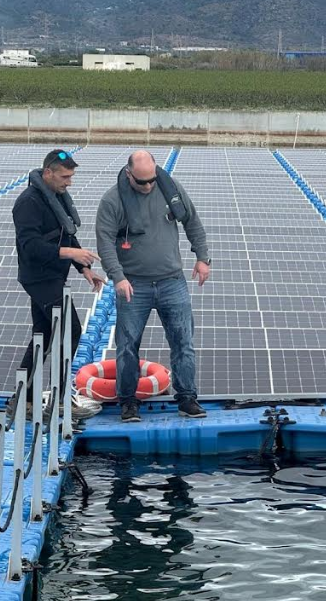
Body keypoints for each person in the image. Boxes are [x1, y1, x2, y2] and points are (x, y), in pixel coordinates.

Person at [95, 150, 211, 423]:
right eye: (142, 182)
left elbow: (193, 222)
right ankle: (128, 402)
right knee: (127, 346)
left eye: (152, 180)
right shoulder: (113, 200)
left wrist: (202, 257)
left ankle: (187, 398)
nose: (148, 186)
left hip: (172, 281)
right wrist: (118, 277)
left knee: (183, 342)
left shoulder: (170, 189)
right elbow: (104, 242)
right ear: (128, 174)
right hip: (134, 285)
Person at [11, 149, 106, 418]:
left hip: (53, 275)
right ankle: (62, 399)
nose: (69, 182)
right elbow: (31, 247)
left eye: (71, 176)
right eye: (65, 176)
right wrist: (71, 254)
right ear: (48, 173)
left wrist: (84, 268)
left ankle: (24, 400)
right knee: (70, 331)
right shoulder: (28, 202)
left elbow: (66, 234)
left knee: (43, 335)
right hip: (38, 278)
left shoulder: (56, 197)